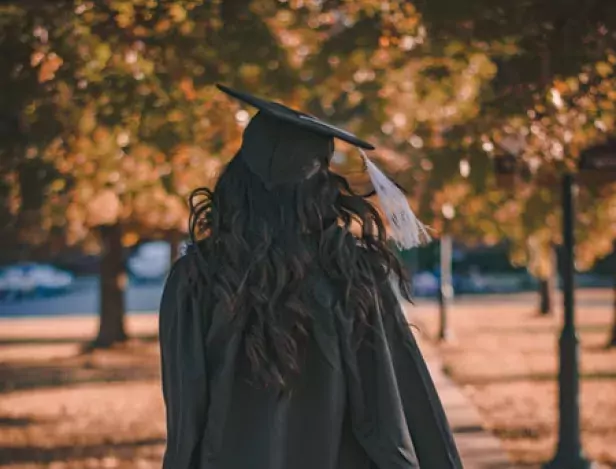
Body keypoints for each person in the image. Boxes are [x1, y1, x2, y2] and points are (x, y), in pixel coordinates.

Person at [159, 84, 463, 469]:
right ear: (321, 188)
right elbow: (390, 406)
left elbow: (186, 417)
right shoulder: (353, 275)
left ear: (235, 182)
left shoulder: (196, 280)